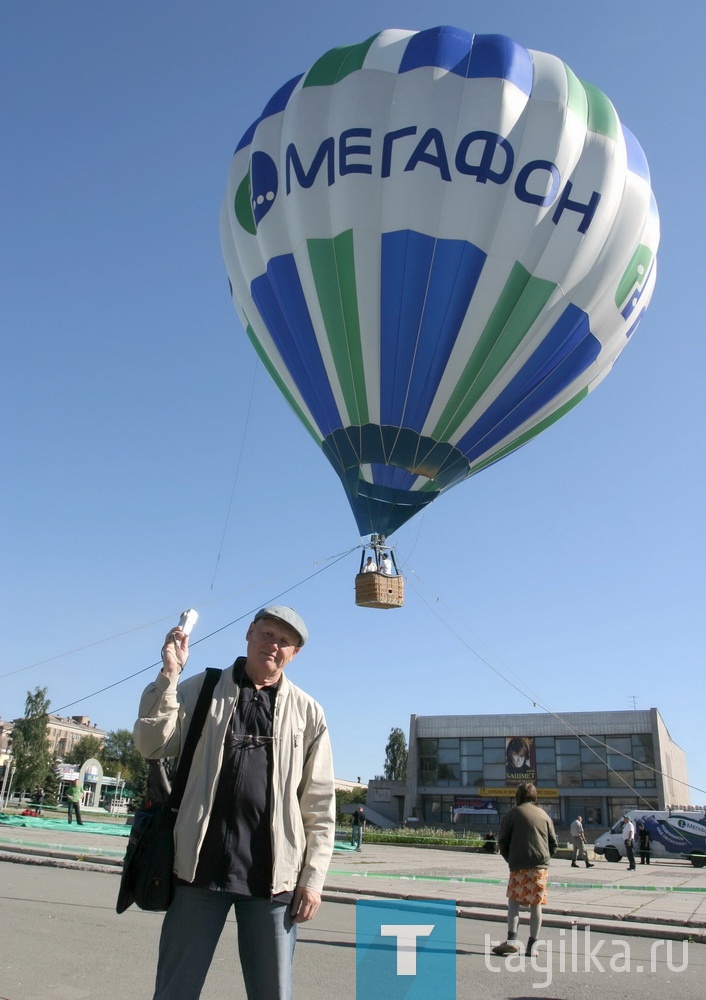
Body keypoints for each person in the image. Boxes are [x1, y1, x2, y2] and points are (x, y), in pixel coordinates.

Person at [133, 605, 335, 1000]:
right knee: (174, 991)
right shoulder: (203, 688)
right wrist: (169, 675)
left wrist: (312, 879)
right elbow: (150, 744)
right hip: (198, 872)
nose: (272, 645)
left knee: (272, 993)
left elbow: (319, 805)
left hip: (273, 883)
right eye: (266, 633)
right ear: (248, 633)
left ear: (294, 653)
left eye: (284, 640)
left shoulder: (308, 713)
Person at [492, 782, 558, 958]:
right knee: (536, 905)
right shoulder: (544, 815)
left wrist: (511, 859)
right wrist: (544, 860)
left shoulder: (512, 814)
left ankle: (512, 940)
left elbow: (502, 841)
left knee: (514, 901)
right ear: (535, 796)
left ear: (518, 796)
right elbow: (554, 843)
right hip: (539, 868)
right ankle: (532, 946)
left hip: (519, 867)